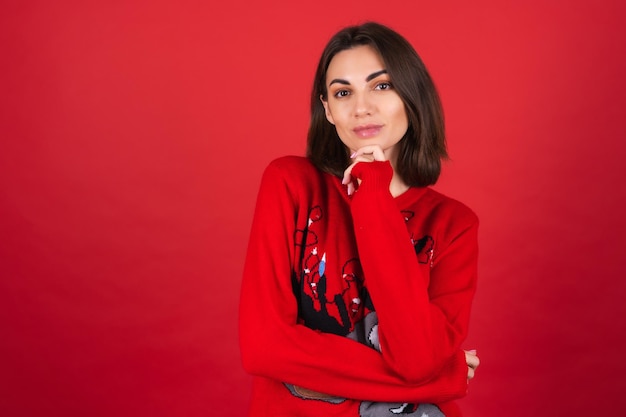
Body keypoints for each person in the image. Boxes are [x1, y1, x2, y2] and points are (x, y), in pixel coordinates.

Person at [239, 21, 480, 417]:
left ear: (411, 96)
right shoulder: (290, 184)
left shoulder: (453, 225)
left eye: (381, 86)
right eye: (343, 92)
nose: (361, 106)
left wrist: (372, 194)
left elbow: (416, 356)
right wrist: (441, 381)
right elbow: (264, 348)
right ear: (328, 110)